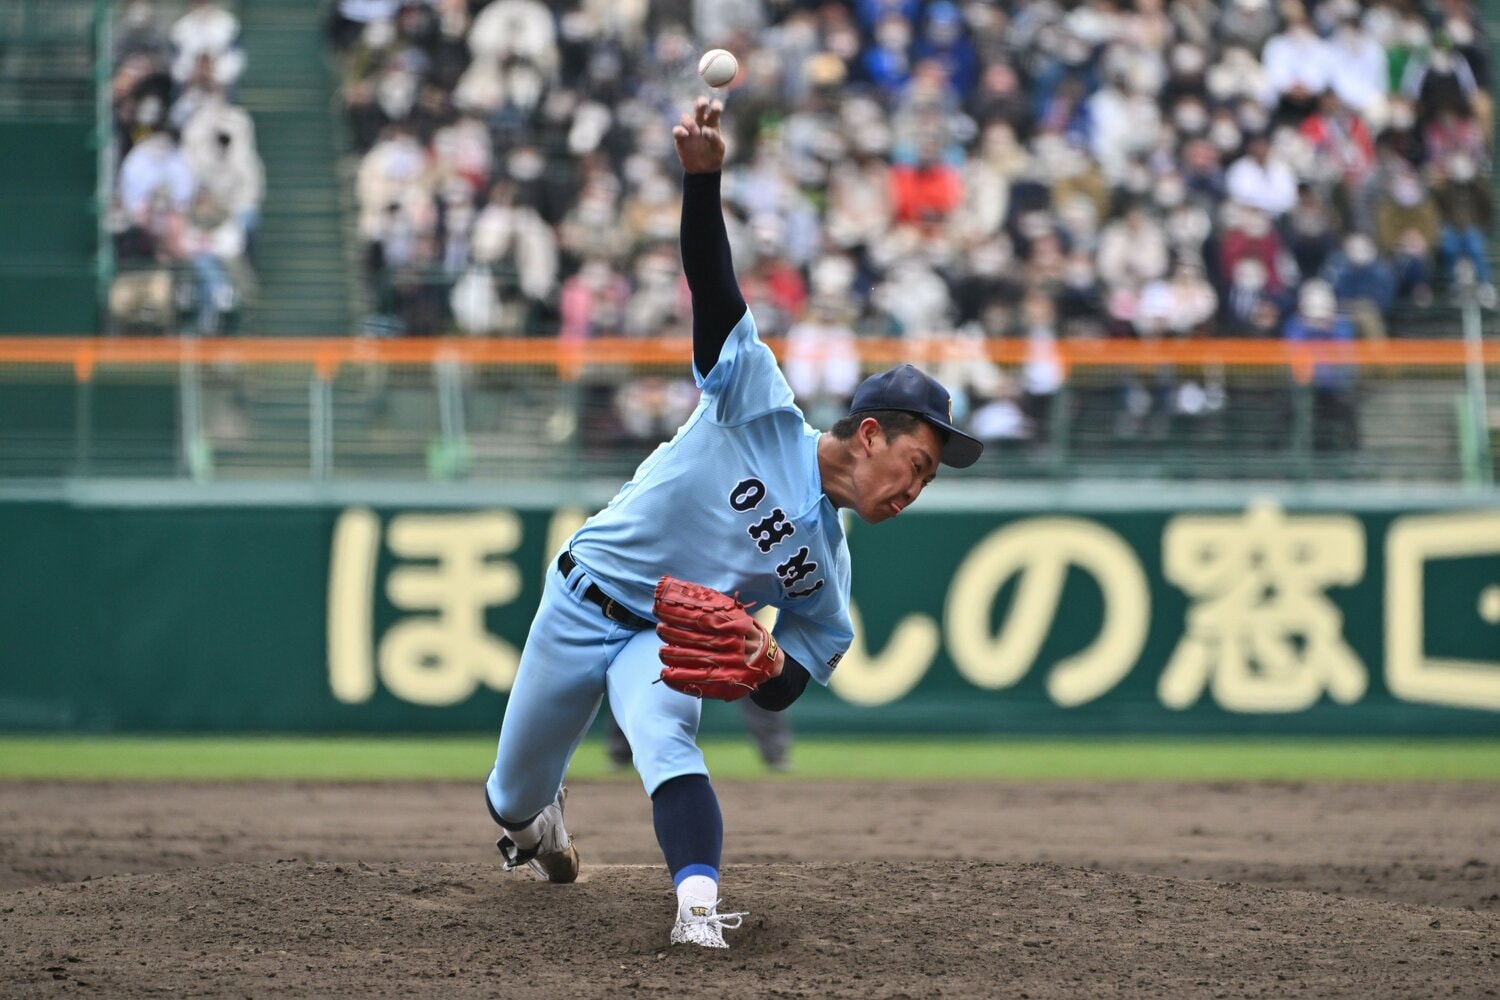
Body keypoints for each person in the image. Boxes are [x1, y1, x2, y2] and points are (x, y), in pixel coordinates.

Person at [482, 98, 982, 950]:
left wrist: (766, 660)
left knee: (667, 738)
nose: (916, 489)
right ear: (870, 435)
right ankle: (541, 827)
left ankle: (698, 907)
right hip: (581, 596)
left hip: (659, 636)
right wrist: (702, 183)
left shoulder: (827, 569)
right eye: (919, 465)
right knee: (510, 797)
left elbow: (791, 679)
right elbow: (715, 291)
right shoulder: (760, 406)